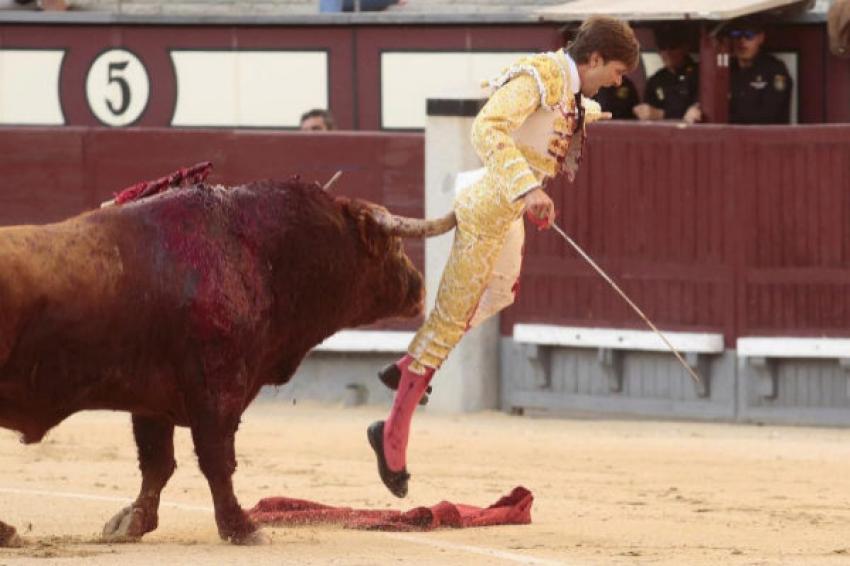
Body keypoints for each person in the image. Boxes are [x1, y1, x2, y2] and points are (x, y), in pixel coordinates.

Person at [367, 16, 640, 498]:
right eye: (616, 71)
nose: (618, 82)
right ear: (594, 59)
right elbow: (488, 127)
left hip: (506, 209)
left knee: (501, 293)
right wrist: (529, 187)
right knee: (449, 322)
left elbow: (553, 119)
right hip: (488, 206)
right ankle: (391, 436)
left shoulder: (567, 87)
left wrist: (592, 116)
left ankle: (409, 364)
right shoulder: (543, 73)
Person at [727, 19, 793, 124]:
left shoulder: (774, 70)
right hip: (729, 137)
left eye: (749, 35)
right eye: (736, 35)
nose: (742, 41)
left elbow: (769, 115)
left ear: (760, 38)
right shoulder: (725, 69)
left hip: (765, 137)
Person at [633, 25, 701, 124]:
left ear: (685, 48)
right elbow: (648, 113)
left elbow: (697, 111)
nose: (667, 53)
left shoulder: (699, 75)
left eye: (672, 47)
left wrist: (662, 114)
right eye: (663, 48)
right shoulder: (655, 80)